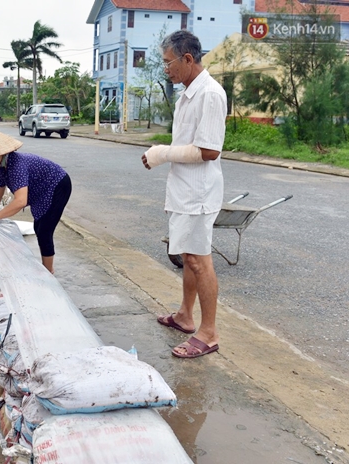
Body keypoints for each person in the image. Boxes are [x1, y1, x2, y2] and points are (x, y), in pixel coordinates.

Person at [141, 30, 227, 358]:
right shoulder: (188, 93)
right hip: (185, 190)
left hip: (198, 193)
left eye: (168, 62)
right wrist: (165, 156)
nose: (166, 69)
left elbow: (208, 151)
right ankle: (186, 316)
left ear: (187, 59)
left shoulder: (210, 94)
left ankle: (209, 332)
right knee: (189, 258)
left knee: (197, 260)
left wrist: (162, 153)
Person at [0, 130, 71, 274]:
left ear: (3, 151)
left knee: (44, 230)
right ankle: (46, 268)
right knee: (38, 227)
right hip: (41, 190)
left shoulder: (15, 165)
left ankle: (48, 272)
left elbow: (20, 201)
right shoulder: (2, 167)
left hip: (57, 184)